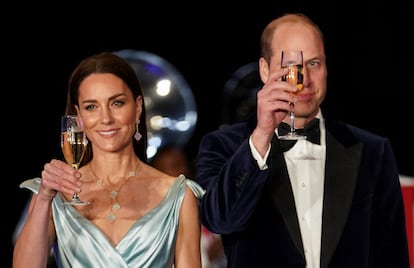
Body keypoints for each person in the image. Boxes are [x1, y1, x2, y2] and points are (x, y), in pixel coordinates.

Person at [195, 13, 410, 268]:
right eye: (291, 67)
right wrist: (262, 136)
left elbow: (391, 256)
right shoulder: (223, 146)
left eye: (314, 63)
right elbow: (220, 220)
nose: (304, 79)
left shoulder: (373, 151)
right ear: (265, 70)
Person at [13, 51, 205, 268]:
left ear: (138, 107)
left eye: (117, 103)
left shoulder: (178, 195)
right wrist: (44, 199)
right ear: (79, 117)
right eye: (91, 107)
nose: (105, 119)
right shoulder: (55, 194)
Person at [150, 145, 227, 268]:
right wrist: (210, 255)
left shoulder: (203, 202)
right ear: (159, 173)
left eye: (184, 164)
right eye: (174, 166)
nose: (183, 170)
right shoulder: (157, 220)